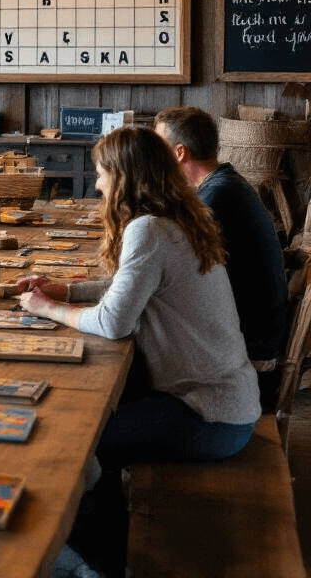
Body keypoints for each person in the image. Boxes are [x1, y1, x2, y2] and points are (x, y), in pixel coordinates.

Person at [17, 125, 260, 578]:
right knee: (90, 431)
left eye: (102, 173)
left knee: (72, 447)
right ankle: (107, 548)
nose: (98, 184)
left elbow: (114, 321)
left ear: (125, 177)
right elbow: (127, 289)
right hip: (224, 403)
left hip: (210, 416)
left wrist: (48, 307)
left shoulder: (148, 228)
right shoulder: (174, 219)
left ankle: (100, 565)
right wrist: (67, 287)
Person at [154, 106, 288, 409]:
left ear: (178, 153)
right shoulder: (223, 184)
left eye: (156, 146)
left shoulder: (217, 198)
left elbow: (173, 279)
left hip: (249, 360)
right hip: (249, 341)